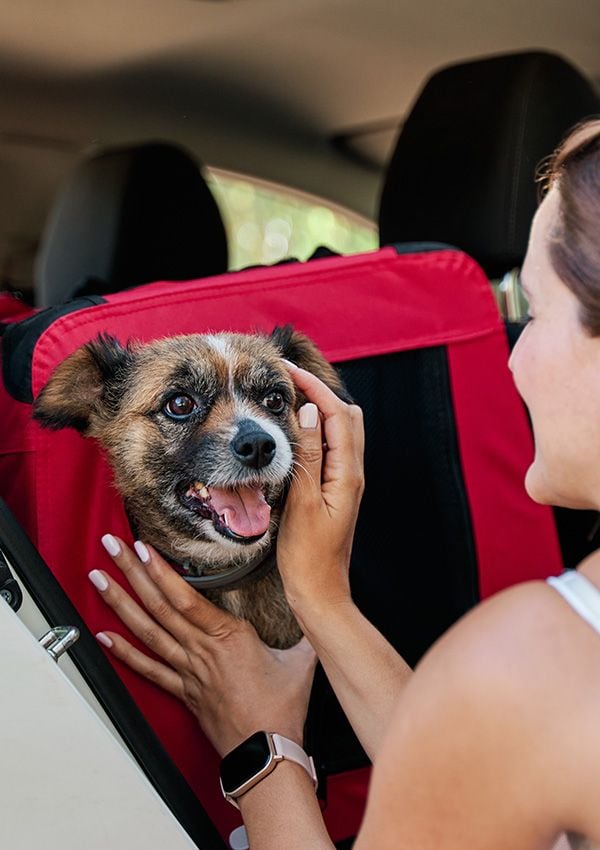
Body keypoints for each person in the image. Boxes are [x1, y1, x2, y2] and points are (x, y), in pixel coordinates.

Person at [87, 119, 600, 850]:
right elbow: (467, 780)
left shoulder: (531, 654)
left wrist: (261, 746)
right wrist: (319, 595)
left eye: (533, 311)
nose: (512, 361)